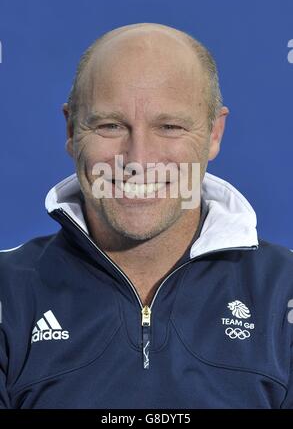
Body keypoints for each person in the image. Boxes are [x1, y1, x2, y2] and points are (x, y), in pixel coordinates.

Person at [0, 22, 292, 409]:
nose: (138, 160)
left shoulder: (283, 293)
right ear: (71, 130)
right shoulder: (8, 294)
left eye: (169, 127)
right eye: (110, 125)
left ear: (214, 133)